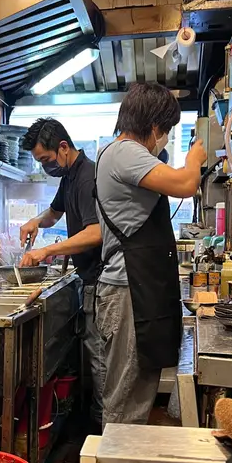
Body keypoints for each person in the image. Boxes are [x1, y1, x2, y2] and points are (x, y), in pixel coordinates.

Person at [95, 82, 206, 426]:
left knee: (135, 397)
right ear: (154, 125)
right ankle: (114, 460)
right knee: (125, 402)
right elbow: (185, 185)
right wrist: (194, 160)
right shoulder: (125, 151)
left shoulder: (123, 154)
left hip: (134, 289)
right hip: (128, 290)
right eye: (167, 129)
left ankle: (122, 456)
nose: (166, 137)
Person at [19, 118, 105, 424]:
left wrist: (46, 251)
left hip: (101, 281)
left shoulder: (86, 177)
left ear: (64, 147)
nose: (46, 167)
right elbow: (54, 214)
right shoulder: (69, 176)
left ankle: (104, 429)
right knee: (94, 355)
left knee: (100, 359)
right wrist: (35, 221)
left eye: (46, 159)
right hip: (89, 279)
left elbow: (95, 233)